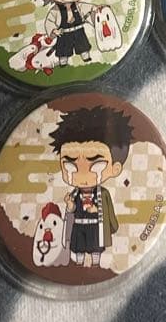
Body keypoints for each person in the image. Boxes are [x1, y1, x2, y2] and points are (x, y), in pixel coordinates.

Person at [51, 106, 132, 268]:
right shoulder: (74, 194)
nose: (82, 174)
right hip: (78, 226)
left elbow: (109, 213)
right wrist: (70, 206)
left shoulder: (103, 193)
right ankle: (78, 265)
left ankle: (96, 264)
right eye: (70, 165)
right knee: (79, 246)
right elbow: (71, 212)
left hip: (95, 226)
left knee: (95, 246)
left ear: (115, 169)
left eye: (96, 165)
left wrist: (101, 214)